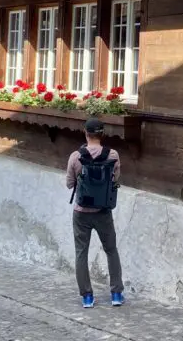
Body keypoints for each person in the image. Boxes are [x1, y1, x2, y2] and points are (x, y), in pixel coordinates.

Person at [65, 117, 124, 309]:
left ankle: (87, 297)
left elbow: (69, 184)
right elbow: (115, 180)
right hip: (103, 212)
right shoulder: (113, 155)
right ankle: (116, 294)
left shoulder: (75, 156)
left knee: (81, 252)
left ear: (85, 133)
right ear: (102, 134)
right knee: (111, 250)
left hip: (81, 212)